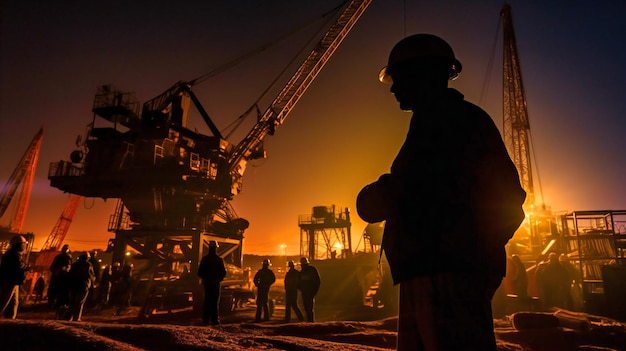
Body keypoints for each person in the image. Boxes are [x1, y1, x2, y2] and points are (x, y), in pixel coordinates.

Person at [356, 34, 526, 350]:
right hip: (436, 271)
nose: (393, 88)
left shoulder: (445, 124)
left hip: (441, 277)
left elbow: (415, 189)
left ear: (424, 74)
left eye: (399, 78)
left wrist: (378, 196)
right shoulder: (449, 121)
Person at [197, 240, 227, 325]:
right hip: (215, 284)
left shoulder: (205, 259)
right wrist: (216, 280)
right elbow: (223, 273)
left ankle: (205, 320)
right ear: (215, 248)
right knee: (214, 302)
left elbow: (200, 272)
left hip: (207, 284)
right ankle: (214, 320)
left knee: (207, 302)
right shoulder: (219, 260)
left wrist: (206, 280)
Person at [0, 235, 29, 319]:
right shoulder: (13, 256)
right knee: (4, 301)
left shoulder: (14, 255)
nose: (25, 246)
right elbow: (20, 266)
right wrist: (27, 266)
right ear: (20, 245)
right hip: (9, 282)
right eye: (24, 244)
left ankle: (10, 319)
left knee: (14, 302)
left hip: (13, 282)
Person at [67, 252, 96, 321]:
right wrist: (92, 284)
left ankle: (68, 317)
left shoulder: (74, 265)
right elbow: (91, 275)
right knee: (80, 302)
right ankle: (76, 317)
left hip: (73, 285)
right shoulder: (88, 265)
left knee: (72, 302)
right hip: (83, 286)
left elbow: (69, 275)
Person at [48, 244, 72, 308]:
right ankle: (61, 304)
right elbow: (68, 267)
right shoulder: (67, 257)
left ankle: (53, 303)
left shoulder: (57, 257)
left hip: (56, 277)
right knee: (63, 291)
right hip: (63, 278)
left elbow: (52, 267)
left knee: (53, 291)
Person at [298, 257, 320, 322]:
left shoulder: (311, 270)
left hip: (310, 292)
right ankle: (309, 322)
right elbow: (299, 282)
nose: (302, 266)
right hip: (305, 292)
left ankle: (311, 322)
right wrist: (301, 289)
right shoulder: (302, 272)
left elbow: (317, 281)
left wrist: (314, 291)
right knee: (306, 309)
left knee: (309, 309)